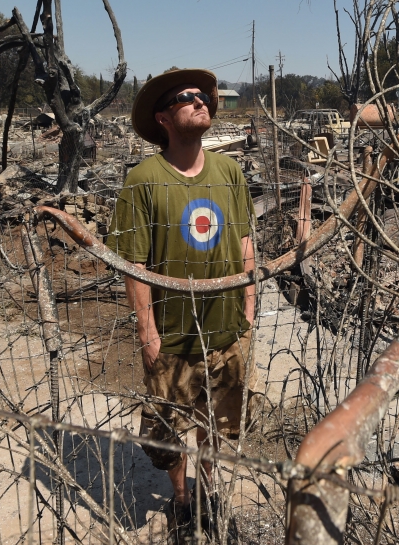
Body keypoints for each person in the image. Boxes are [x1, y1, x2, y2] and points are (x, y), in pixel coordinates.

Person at [106, 68, 255, 538]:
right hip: (172, 335)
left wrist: (249, 308)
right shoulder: (144, 180)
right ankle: (183, 499)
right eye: (186, 97)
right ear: (163, 118)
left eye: (203, 96)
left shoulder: (229, 172)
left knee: (217, 420)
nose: (200, 101)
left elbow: (246, 240)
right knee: (170, 430)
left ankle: (209, 491)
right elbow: (133, 265)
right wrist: (147, 332)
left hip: (227, 330)